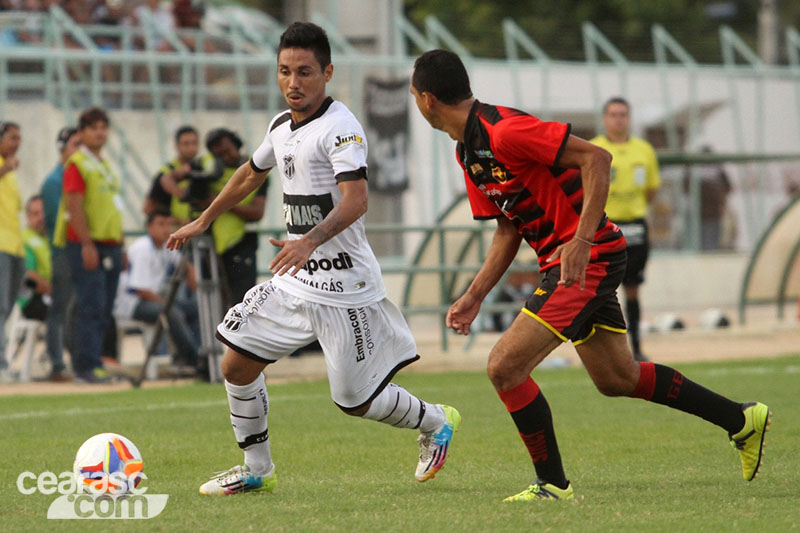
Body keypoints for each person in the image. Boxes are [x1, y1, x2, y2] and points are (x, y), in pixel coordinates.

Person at [410, 49, 770, 502]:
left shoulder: (504, 129)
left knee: (505, 366)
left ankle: (553, 485)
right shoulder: (469, 153)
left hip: (589, 256)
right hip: (567, 262)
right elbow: (508, 228)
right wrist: (475, 294)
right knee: (617, 378)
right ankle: (741, 419)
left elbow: (597, 159)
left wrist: (580, 240)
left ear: (426, 100)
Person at [167, 22, 461, 496]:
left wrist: (308, 240)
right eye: (284, 71)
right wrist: (204, 219)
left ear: (327, 72)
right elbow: (249, 174)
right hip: (294, 282)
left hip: (345, 289)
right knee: (236, 364)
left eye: (304, 72)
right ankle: (257, 467)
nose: (293, 83)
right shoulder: (280, 126)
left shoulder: (341, 128)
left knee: (355, 400)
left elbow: (356, 200)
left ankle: (435, 420)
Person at [54, 107, 123, 384]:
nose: (100, 132)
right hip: (89, 244)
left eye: (104, 127)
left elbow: (110, 209)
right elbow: (74, 205)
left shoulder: (102, 164)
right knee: (90, 306)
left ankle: (95, 362)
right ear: (81, 132)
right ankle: (85, 366)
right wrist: (86, 245)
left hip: (111, 244)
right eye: (93, 127)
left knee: (104, 307)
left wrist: (121, 245)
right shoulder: (77, 162)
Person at [589, 97, 660, 362]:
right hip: (605, 224)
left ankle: (636, 347)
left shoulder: (644, 150)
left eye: (623, 114)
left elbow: (651, 189)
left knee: (632, 288)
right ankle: (602, 352)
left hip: (636, 226)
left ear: (629, 119)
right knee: (601, 290)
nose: (619, 119)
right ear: (605, 119)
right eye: (613, 114)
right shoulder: (594, 148)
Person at [115, 209, 199, 370]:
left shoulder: (166, 246)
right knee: (172, 312)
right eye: (161, 224)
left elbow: (184, 265)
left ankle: (194, 353)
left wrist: (190, 273)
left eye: (169, 224)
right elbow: (140, 290)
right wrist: (165, 302)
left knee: (194, 308)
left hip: (151, 299)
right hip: (133, 303)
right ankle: (192, 359)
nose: (166, 229)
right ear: (149, 227)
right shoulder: (143, 248)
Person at [205, 127, 267, 306]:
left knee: (241, 301)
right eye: (219, 155)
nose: (225, 157)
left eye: (227, 151)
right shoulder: (210, 171)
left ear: (237, 145)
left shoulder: (255, 169)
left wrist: (222, 202)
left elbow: (257, 213)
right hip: (213, 244)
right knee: (215, 301)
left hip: (241, 245)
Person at [40, 126, 81, 382]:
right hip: (64, 252)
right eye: (76, 145)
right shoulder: (55, 182)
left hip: (75, 250)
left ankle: (75, 360)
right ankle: (57, 364)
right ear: (63, 148)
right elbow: (62, 221)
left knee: (74, 310)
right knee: (59, 309)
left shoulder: (72, 178)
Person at [143, 125, 211, 223]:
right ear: (177, 146)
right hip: (176, 233)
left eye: (194, 143)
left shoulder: (204, 168)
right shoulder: (165, 172)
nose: (191, 148)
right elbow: (148, 208)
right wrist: (177, 221)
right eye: (186, 144)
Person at [0, 121, 25, 380]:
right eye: (11, 137)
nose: (16, 143)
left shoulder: (11, 171)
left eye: (19, 138)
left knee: (7, 307)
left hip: (14, 244)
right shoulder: (5, 168)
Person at [18, 195, 51, 322]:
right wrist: (55, 291)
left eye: (43, 212)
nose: (41, 218)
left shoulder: (52, 238)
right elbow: (29, 278)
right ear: (28, 217)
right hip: (33, 299)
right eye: (36, 214)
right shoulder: (25, 240)